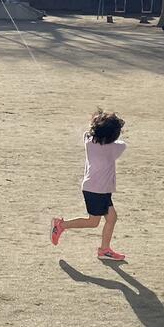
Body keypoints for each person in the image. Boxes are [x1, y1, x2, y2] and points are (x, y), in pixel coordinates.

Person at [51, 109, 127, 261]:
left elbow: (90, 132)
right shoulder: (115, 148)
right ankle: (60, 225)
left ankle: (104, 250)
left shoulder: (89, 140)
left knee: (111, 218)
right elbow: (122, 144)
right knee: (93, 222)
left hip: (97, 188)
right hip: (97, 190)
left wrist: (99, 121)